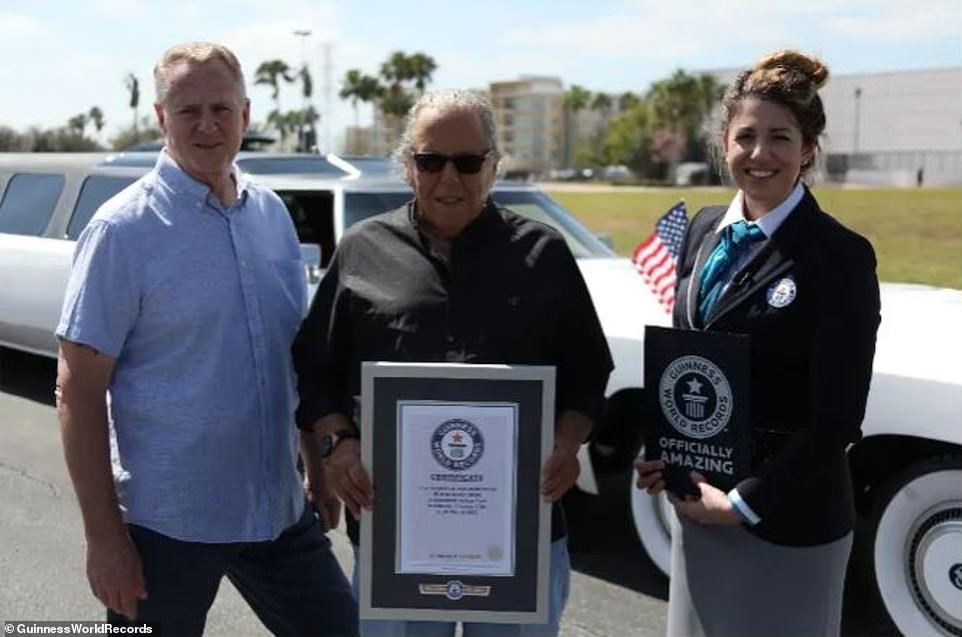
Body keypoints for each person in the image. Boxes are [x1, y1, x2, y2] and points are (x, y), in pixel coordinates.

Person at [55, 41, 357, 636]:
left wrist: (316, 472)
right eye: (188, 110)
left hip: (276, 510)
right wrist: (104, 538)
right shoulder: (122, 231)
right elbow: (77, 391)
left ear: (246, 116)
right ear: (161, 118)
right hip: (167, 526)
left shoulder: (271, 216)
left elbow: (289, 358)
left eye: (221, 108)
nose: (207, 124)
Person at [292, 89, 613, 637]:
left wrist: (566, 442)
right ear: (406, 164)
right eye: (430, 160)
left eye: (468, 162)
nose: (449, 178)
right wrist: (337, 445)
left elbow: (588, 372)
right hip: (393, 532)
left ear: (493, 165)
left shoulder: (544, 252)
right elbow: (316, 368)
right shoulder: (362, 249)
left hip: (521, 535)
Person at [635, 50, 881, 637]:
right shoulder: (699, 231)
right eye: (746, 136)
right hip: (700, 508)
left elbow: (838, 416)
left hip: (786, 522)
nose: (760, 153)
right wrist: (667, 448)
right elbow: (694, 364)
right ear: (725, 143)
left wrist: (743, 503)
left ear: (808, 150)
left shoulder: (838, 256)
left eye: (780, 137)